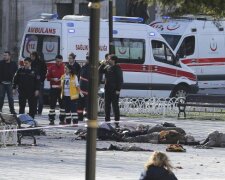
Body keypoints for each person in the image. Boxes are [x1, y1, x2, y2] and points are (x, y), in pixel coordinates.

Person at [98, 54, 123, 128]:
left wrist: (118, 89)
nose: (108, 60)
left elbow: (120, 80)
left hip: (114, 90)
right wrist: (103, 64)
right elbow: (99, 71)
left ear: (113, 60)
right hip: (107, 89)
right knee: (107, 106)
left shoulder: (117, 68)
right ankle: (107, 121)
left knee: (115, 106)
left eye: (109, 59)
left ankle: (116, 122)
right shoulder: (107, 67)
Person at [47, 55, 65, 125]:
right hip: (53, 89)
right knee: (52, 105)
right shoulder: (51, 68)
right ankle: (51, 119)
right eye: (57, 61)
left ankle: (62, 120)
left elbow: (68, 77)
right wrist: (53, 79)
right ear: (55, 60)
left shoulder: (64, 68)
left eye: (60, 61)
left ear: (62, 60)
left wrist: (62, 79)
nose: (58, 63)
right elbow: (48, 78)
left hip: (61, 89)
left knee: (62, 105)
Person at [77, 55, 89, 121]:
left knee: (87, 104)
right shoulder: (84, 67)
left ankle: (87, 116)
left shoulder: (92, 68)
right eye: (86, 59)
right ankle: (80, 116)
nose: (86, 60)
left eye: (88, 59)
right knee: (80, 104)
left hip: (87, 89)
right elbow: (79, 76)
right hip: (81, 89)